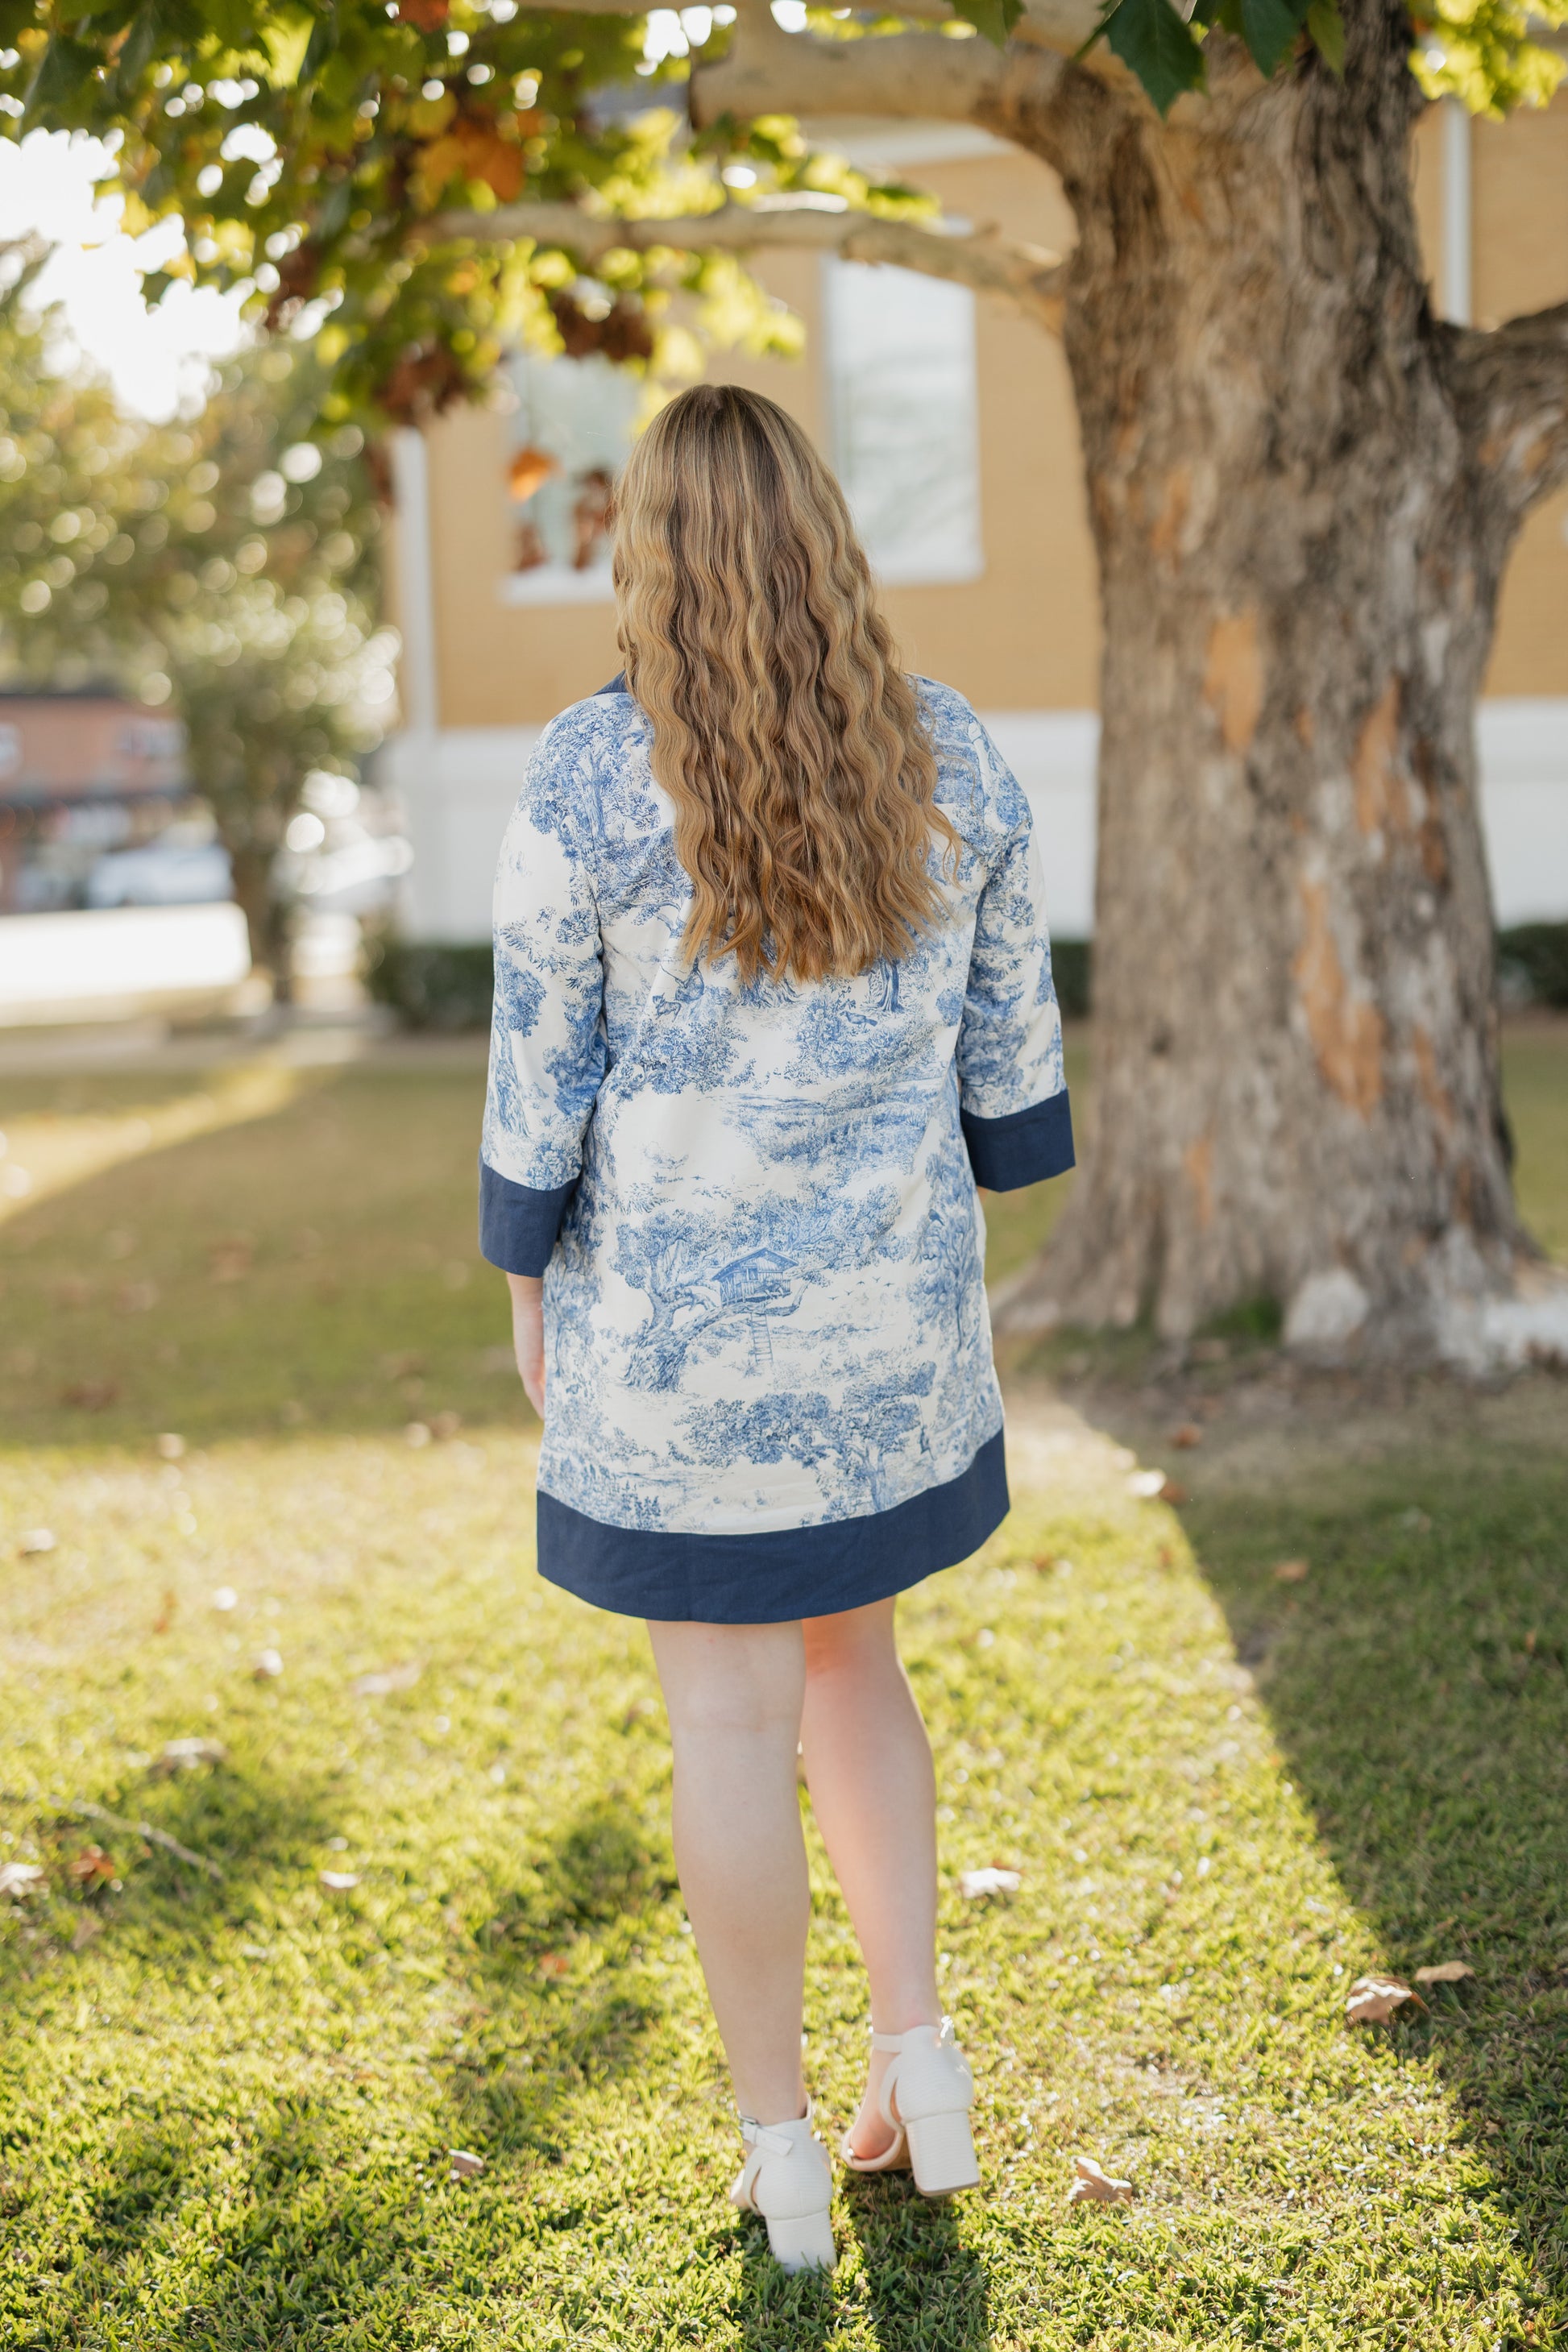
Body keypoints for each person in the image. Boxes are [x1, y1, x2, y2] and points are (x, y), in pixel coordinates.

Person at [479, 383, 1073, 2273]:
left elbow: (533, 1076)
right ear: (829, 533)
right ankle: (929, 2067)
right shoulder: (954, 756)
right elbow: (1016, 1092)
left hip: (669, 1353)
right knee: (854, 1674)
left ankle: (790, 2156)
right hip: (887, 1344)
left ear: (642, 551)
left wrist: (520, 1272)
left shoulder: (583, 775)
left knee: (722, 1716)